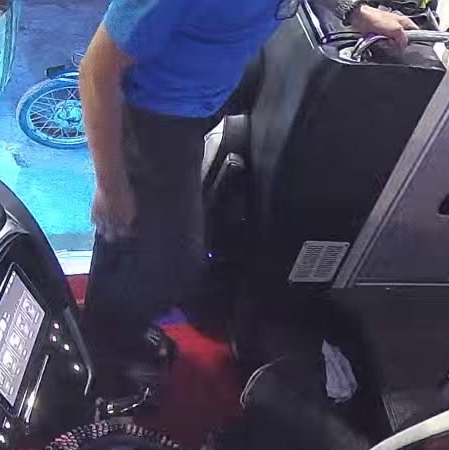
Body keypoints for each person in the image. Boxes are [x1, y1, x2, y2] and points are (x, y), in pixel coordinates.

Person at [78, 0, 417, 385]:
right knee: (169, 257)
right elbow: (96, 71)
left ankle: (114, 316)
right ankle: (107, 348)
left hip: (209, 81)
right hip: (157, 113)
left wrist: (354, 11)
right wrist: (111, 186)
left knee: (150, 239)